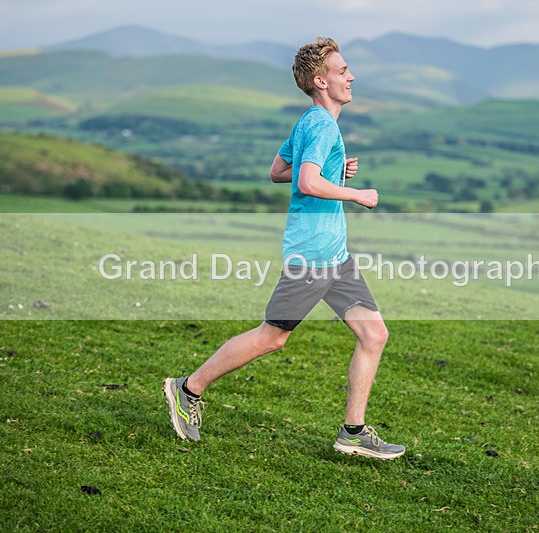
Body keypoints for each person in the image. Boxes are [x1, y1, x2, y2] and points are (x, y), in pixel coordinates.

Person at [163, 37, 404, 460]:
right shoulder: (320, 124)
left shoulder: (313, 123)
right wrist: (356, 193)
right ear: (320, 80)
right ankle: (187, 388)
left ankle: (353, 432)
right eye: (342, 70)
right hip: (312, 254)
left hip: (335, 254)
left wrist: (333, 168)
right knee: (272, 337)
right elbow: (306, 183)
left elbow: (279, 172)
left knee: (374, 333)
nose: (351, 77)